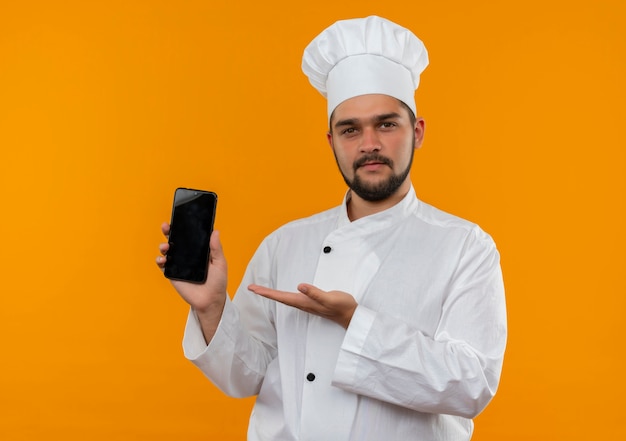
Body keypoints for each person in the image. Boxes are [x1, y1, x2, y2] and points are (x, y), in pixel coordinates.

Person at [156, 15, 507, 441]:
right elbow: (245, 377)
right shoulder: (284, 244)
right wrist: (211, 308)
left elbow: (471, 385)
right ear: (332, 142)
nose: (369, 143)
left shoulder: (465, 246)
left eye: (387, 124)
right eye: (350, 129)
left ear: (416, 133)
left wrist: (354, 321)